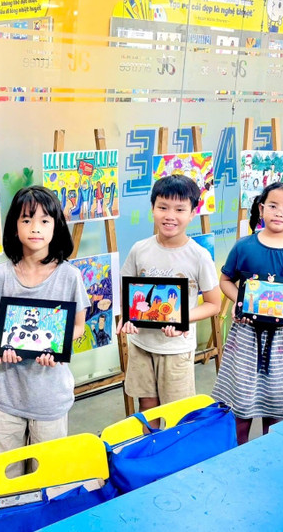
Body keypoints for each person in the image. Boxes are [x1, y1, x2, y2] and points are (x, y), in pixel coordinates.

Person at [0, 186, 89, 466]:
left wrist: (57, 347)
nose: (35, 228)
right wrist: (5, 344)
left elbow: (79, 325)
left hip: (49, 394)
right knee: (5, 474)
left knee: (47, 472)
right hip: (5, 393)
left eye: (44, 220)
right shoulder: (0, 275)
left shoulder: (70, 277)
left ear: (56, 226)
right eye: (26, 220)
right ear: (14, 227)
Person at [212, 183, 283, 445]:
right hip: (247, 335)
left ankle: (269, 456)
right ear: (261, 209)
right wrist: (239, 301)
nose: (279, 212)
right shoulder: (244, 246)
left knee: (278, 410)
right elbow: (226, 280)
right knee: (239, 407)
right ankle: (237, 455)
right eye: (273, 206)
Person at [120, 175, 221, 411]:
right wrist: (127, 316)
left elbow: (213, 304)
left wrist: (181, 320)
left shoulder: (199, 256)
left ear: (192, 213)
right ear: (152, 208)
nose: (170, 215)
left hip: (176, 348)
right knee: (146, 405)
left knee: (177, 410)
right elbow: (128, 290)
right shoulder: (139, 249)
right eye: (163, 207)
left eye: (179, 209)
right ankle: (150, 437)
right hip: (141, 343)